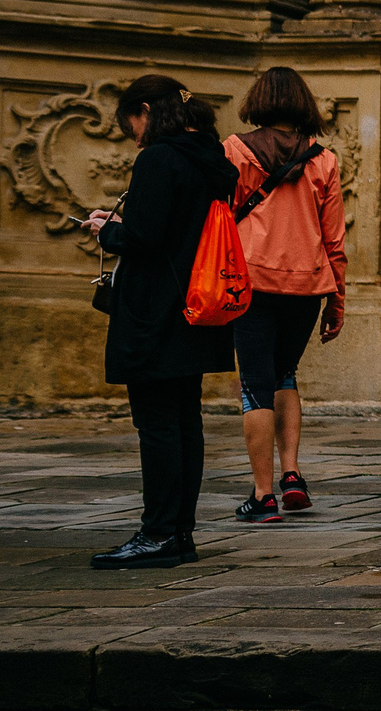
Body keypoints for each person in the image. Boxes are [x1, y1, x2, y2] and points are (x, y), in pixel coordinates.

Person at [81, 74, 237, 570]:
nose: (134, 137)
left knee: (156, 425)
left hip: (155, 312)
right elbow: (176, 230)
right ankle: (179, 532)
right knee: (184, 421)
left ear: (145, 110)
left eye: (131, 124)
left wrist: (108, 231)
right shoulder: (211, 157)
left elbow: (145, 238)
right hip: (196, 305)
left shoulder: (159, 158)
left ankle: (158, 534)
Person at [221, 67, 347, 523]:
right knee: (285, 375)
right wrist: (337, 299)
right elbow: (335, 239)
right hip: (307, 286)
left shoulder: (234, 151)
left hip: (252, 282)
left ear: (258, 101)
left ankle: (262, 495)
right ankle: (292, 475)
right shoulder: (323, 160)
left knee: (255, 386)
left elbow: (219, 215)